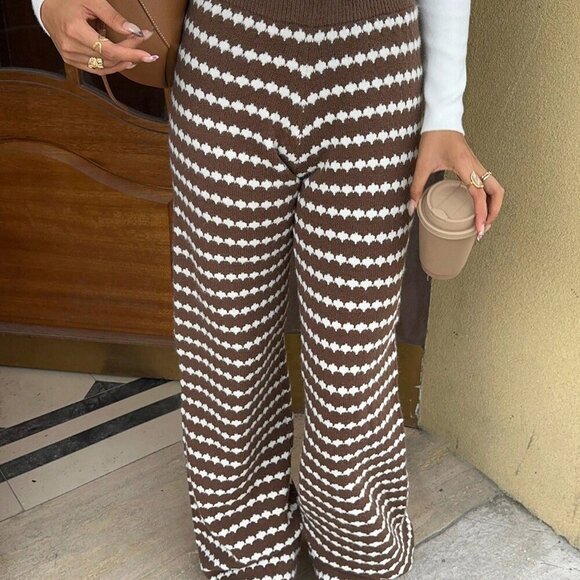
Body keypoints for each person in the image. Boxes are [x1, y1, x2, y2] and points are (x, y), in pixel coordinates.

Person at [32, 0, 505, 578]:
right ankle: (243, 547)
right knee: (226, 341)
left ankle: (359, 545)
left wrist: (445, 111)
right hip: (229, 58)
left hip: (376, 73)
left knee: (353, 356)